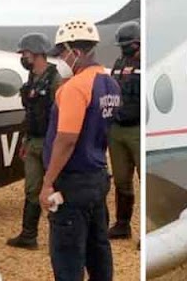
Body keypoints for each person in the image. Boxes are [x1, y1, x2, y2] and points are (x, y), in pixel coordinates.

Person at [40, 19, 120, 281]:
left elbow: (66, 139)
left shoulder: (75, 87)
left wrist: (47, 182)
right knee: (98, 250)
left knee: (68, 258)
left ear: (75, 52)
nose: (60, 59)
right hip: (97, 177)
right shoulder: (111, 84)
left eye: (62, 53)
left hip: (72, 183)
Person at [6, 33, 62, 250]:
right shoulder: (32, 80)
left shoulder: (55, 81)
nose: (23, 57)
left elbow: (61, 116)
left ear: (37, 53)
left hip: (50, 142)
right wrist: (25, 141)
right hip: (33, 141)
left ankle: (60, 235)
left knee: (54, 189)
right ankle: (28, 235)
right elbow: (30, 114)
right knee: (31, 189)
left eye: (25, 53)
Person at [107, 21, 141, 241]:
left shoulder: (146, 64)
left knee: (145, 179)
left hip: (137, 128)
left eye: (127, 44)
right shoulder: (118, 64)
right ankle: (122, 224)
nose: (123, 48)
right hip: (117, 128)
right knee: (121, 180)